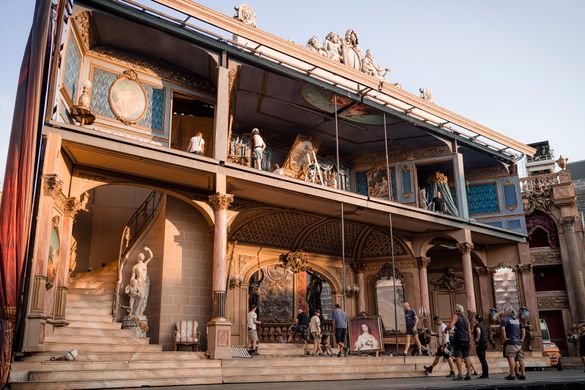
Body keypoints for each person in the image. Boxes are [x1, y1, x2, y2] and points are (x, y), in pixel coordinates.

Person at [446, 304, 472, 380]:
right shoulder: (466, 319)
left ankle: (460, 374)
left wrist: (445, 330)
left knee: (458, 356)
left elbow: (450, 326)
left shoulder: (455, 316)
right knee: (466, 356)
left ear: (456, 310)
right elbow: (469, 331)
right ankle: (469, 373)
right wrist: (469, 341)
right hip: (466, 340)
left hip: (458, 339)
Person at [125, 246, 153, 316]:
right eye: (141, 256)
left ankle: (139, 312)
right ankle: (135, 312)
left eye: (143, 256)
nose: (142, 256)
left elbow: (151, 257)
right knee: (139, 297)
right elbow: (133, 276)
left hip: (145, 283)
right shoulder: (135, 266)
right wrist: (132, 284)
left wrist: (148, 249)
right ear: (138, 257)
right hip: (138, 283)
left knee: (143, 298)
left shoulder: (144, 264)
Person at [501, 307, 526, 380]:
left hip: (510, 342)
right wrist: (522, 339)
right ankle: (523, 374)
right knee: (521, 359)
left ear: (508, 313)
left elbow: (502, 329)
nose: (504, 312)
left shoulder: (505, 320)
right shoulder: (517, 320)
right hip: (518, 342)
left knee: (511, 357)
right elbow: (523, 330)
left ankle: (512, 374)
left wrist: (505, 338)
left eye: (505, 311)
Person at [473, 314, 489, 379]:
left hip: (480, 344)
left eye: (474, 318)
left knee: (482, 360)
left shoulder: (477, 325)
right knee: (483, 359)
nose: (473, 319)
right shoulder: (482, 325)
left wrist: (477, 339)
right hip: (484, 343)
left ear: (476, 319)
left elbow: (478, 332)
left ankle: (485, 375)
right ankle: (485, 374)